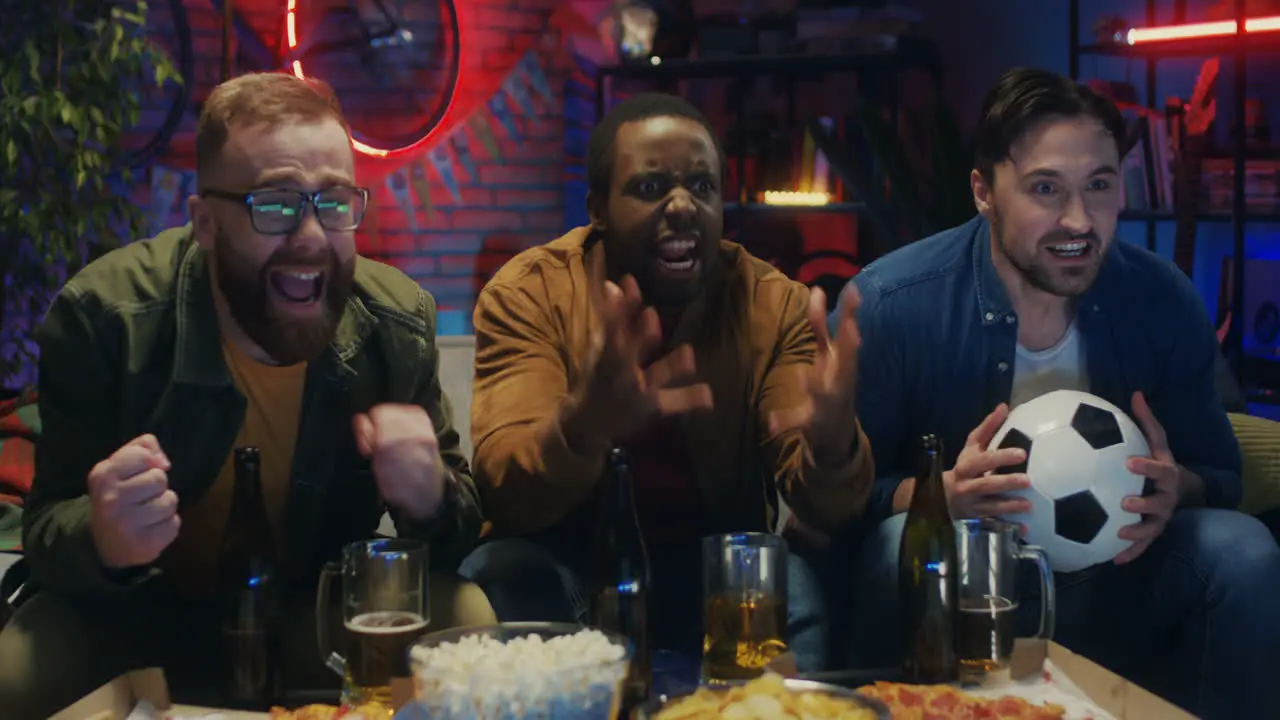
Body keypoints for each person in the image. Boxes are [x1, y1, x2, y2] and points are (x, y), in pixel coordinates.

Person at [0, 72, 496, 719]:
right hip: (132, 617)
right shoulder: (106, 318)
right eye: (276, 205)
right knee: (11, 678)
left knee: (469, 618)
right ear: (205, 223)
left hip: (307, 613)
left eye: (335, 202)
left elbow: (460, 537)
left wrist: (432, 498)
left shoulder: (397, 324)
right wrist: (101, 534)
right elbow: (42, 533)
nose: (313, 238)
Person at [842, 67, 1280, 719]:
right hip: (964, 591)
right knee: (896, 542)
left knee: (1242, 550)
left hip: (1123, 579)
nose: (1078, 220)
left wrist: (1171, 488)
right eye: (1045, 188)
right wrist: (941, 498)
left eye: (1099, 186)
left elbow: (1217, 474)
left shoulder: (1163, 300)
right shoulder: (889, 307)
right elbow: (835, 503)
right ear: (984, 192)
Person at [459, 93, 871, 672]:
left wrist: (832, 448)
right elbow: (504, 488)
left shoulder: (772, 304)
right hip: (571, 563)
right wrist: (583, 428)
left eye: (703, 187)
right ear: (597, 209)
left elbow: (828, 506)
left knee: (790, 579)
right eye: (651, 189)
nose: (683, 207)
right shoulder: (529, 294)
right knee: (494, 573)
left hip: (712, 568)